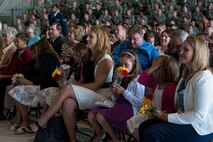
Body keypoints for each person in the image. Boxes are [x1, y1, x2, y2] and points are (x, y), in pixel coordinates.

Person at [25, 26, 114, 142]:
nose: (87, 39)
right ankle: (73, 140)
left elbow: (96, 85)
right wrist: (70, 88)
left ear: (100, 39)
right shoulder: (88, 55)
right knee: (68, 103)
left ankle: (43, 121)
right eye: (88, 36)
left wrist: (71, 88)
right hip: (90, 91)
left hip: (103, 94)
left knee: (68, 88)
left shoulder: (105, 60)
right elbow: (82, 80)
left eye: (91, 37)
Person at [139, 36, 213, 142]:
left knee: (151, 132)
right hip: (184, 119)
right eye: (181, 48)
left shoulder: (204, 78)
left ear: (197, 54)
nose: (180, 51)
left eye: (186, 50)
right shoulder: (186, 73)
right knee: (143, 127)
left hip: (199, 127)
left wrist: (166, 117)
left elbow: (199, 115)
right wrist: (160, 113)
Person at [88, 50, 145, 142]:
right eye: (121, 64)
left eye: (126, 65)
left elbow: (140, 102)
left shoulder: (138, 80)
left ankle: (115, 139)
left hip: (130, 107)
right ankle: (101, 134)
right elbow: (116, 97)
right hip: (118, 103)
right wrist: (115, 93)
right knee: (91, 115)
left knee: (100, 116)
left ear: (134, 65)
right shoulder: (121, 76)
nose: (123, 67)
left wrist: (124, 92)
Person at [8, 39, 60, 134]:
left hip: (48, 86)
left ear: (39, 49)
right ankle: (21, 120)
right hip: (44, 85)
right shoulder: (45, 56)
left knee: (18, 90)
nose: (32, 54)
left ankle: (25, 122)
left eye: (34, 52)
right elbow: (32, 72)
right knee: (18, 89)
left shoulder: (47, 56)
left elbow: (47, 76)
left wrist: (31, 82)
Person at [127, 55, 179, 141]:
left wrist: (158, 114)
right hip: (152, 113)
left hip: (161, 117)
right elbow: (141, 80)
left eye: (155, 69)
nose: (153, 71)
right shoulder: (156, 83)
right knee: (131, 123)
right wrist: (151, 68)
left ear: (161, 71)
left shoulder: (171, 87)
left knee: (141, 128)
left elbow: (171, 109)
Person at [0, 32, 31, 120]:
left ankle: (1, 113)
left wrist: (3, 76)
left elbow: (21, 74)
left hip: (17, 78)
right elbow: (9, 67)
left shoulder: (27, 54)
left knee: (1, 83)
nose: (15, 43)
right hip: (9, 74)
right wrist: (2, 73)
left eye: (17, 41)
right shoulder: (16, 52)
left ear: (24, 43)